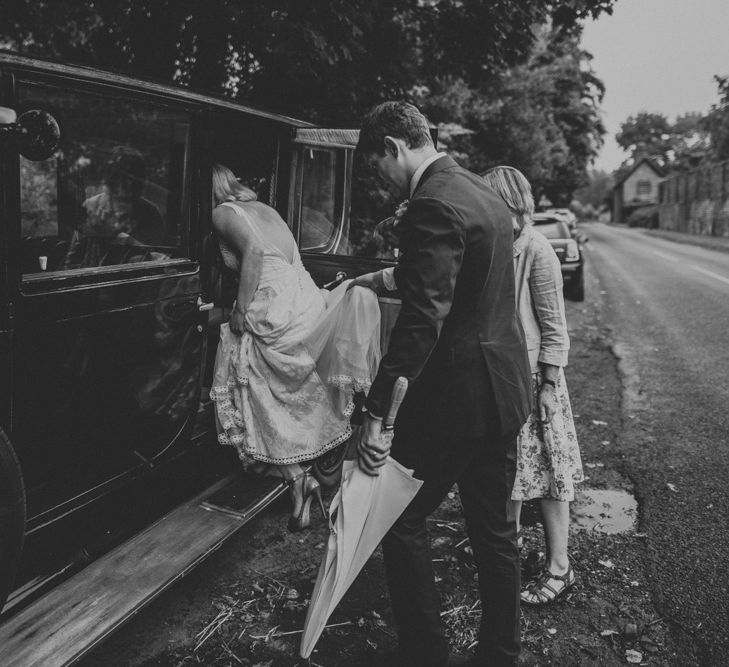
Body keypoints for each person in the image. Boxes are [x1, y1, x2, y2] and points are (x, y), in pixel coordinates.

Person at [352, 102, 533, 667]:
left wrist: (377, 413)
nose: (380, 179)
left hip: (455, 402)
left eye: (376, 164)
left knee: (398, 517)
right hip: (504, 390)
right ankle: (499, 654)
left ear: (393, 146)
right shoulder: (484, 191)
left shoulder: (432, 202)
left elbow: (423, 315)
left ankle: (426, 652)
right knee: (495, 533)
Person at [208, 163, 380, 531]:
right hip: (302, 298)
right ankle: (301, 477)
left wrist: (240, 308)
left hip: (271, 303)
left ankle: (295, 476)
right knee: (288, 390)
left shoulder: (222, 212)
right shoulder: (264, 208)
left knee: (247, 380)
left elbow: (253, 253)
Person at [481, 165, 584, 606]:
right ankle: (510, 550)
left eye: (489, 200)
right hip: (503, 378)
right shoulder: (494, 244)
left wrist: (546, 384)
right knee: (511, 472)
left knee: (549, 476)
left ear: (508, 201)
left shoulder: (538, 249)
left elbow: (556, 329)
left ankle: (560, 567)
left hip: (536, 383)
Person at [65, 146, 166, 268]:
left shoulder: (151, 213)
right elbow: (73, 259)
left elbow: (157, 258)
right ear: (110, 177)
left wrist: (125, 240)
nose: (127, 183)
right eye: (121, 176)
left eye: (133, 178)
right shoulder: (91, 206)